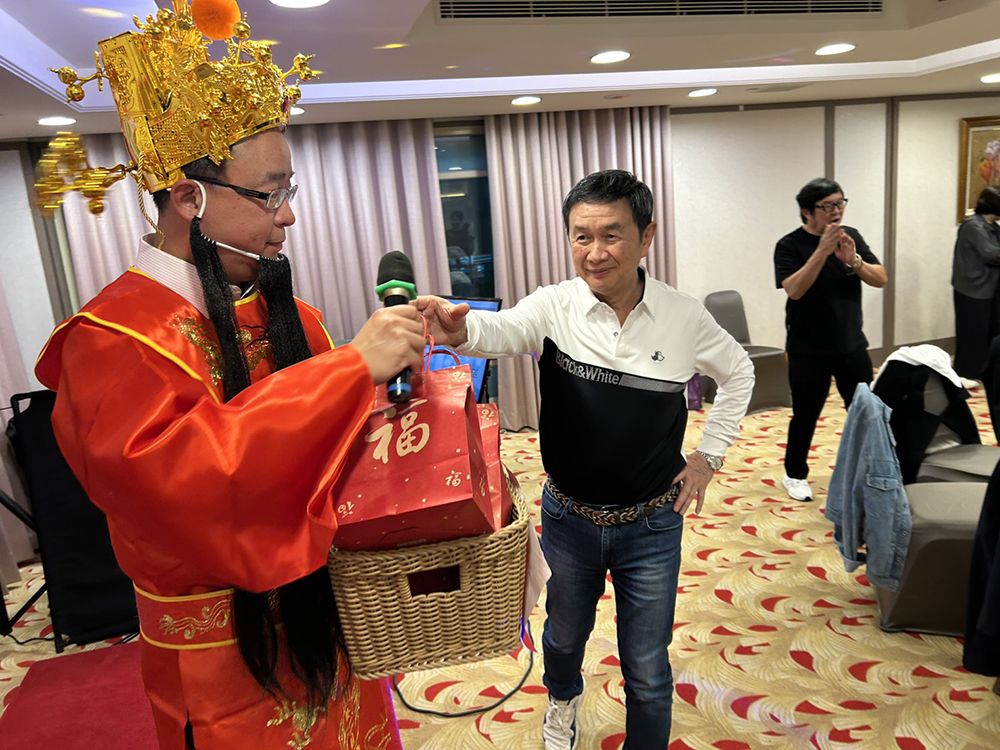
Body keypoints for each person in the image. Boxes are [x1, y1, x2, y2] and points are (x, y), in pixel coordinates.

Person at [33, 4, 423, 748]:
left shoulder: (291, 315)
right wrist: (346, 374)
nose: (287, 218)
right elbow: (185, 487)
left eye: (288, 193)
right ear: (190, 199)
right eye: (269, 195)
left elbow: (341, 462)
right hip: (221, 659)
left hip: (331, 626)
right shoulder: (112, 340)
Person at [417, 170, 754, 748]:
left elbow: (739, 372)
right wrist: (461, 328)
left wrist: (708, 458)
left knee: (647, 667)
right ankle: (562, 702)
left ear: (646, 237)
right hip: (569, 519)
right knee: (563, 638)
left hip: (652, 524)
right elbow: (503, 329)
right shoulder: (555, 306)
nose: (595, 253)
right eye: (581, 236)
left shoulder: (684, 316)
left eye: (611, 235)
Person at [774, 178, 888, 502]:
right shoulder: (789, 245)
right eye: (827, 206)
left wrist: (854, 261)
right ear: (807, 212)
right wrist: (822, 251)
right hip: (807, 349)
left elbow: (881, 278)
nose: (836, 211)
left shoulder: (851, 236)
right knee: (806, 414)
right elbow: (795, 289)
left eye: (840, 203)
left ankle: (871, 471)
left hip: (851, 344)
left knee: (866, 413)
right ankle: (795, 474)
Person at [952, 186, 1000, 389]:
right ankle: (966, 372)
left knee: (988, 332)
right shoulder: (974, 226)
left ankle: (984, 370)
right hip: (973, 289)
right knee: (972, 333)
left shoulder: (992, 226)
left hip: (989, 289)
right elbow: (991, 254)